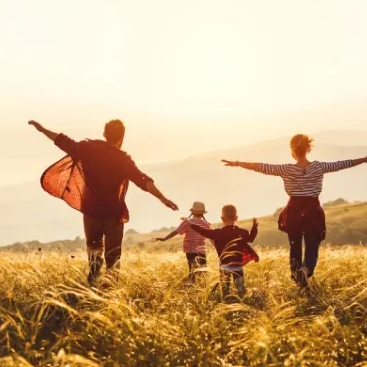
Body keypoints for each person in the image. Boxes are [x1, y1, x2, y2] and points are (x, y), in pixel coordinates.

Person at [28, 119, 178, 284]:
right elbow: (143, 181)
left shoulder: (88, 149)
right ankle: (111, 293)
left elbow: (62, 141)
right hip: (113, 214)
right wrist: (162, 198)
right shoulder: (123, 159)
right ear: (121, 138)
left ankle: (92, 285)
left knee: (94, 252)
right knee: (113, 256)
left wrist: (42, 129)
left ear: (105, 135)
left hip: (91, 211)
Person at [221, 134, 367, 289]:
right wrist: (364, 159)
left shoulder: (285, 169)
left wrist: (237, 163)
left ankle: (298, 276)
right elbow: (343, 164)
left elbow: (261, 167)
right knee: (312, 246)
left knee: (295, 247)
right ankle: (305, 270)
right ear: (308, 148)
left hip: (293, 214)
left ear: (292, 151)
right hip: (313, 213)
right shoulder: (319, 167)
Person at [186, 205, 259, 297]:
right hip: (238, 265)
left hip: (224, 266)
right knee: (240, 288)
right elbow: (251, 238)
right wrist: (254, 227)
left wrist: (191, 225)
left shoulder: (218, 233)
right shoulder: (242, 232)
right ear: (236, 217)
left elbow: (203, 231)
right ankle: (240, 288)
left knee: (225, 289)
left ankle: (226, 299)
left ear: (222, 218)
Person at [155, 201, 212, 283]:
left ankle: (191, 286)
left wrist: (164, 238)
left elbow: (175, 232)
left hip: (190, 250)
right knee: (203, 270)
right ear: (203, 213)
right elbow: (212, 238)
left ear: (192, 212)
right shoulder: (206, 224)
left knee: (192, 270)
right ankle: (203, 288)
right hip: (201, 250)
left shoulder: (187, 223)